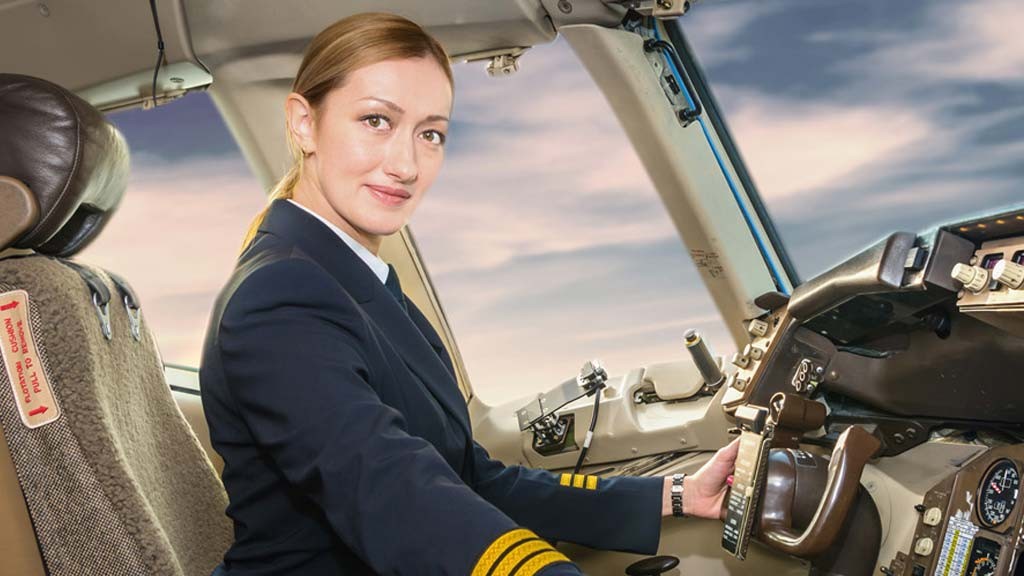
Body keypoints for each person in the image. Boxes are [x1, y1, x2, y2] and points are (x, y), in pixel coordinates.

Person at [200, 12, 740, 576]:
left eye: (430, 133)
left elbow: (471, 479)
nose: (406, 164)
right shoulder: (280, 297)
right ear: (304, 123)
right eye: (376, 120)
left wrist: (677, 494)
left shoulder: (355, 281)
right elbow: (397, 492)